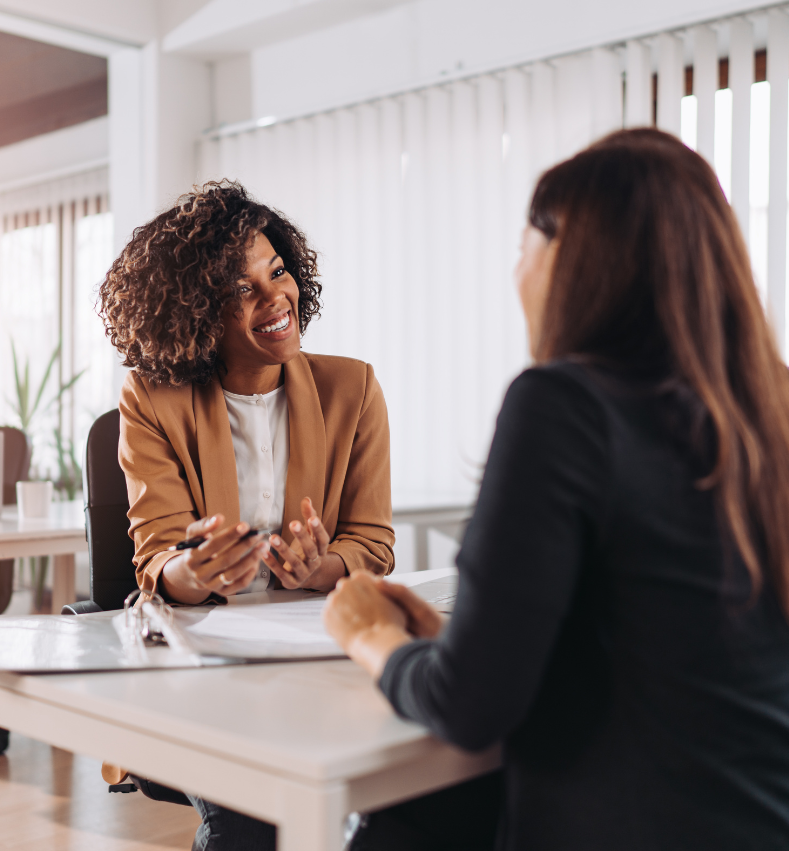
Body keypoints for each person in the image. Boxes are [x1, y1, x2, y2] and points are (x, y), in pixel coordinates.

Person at [325, 128, 789, 851]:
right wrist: (462, 640)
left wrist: (371, 637)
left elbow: (469, 705)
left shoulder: (563, 404)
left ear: (572, 255)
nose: (517, 269)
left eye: (524, 245)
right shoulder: (768, 412)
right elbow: (677, 650)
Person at [97, 180, 395, 851]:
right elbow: (156, 562)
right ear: (196, 309)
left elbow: (373, 540)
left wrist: (326, 566)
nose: (275, 299)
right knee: (249, 821)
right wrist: (196, 571)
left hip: (319, 659)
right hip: (208, 664)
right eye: (242, 288)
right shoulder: (153, 399)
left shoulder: (354, 388)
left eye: (279, 272)